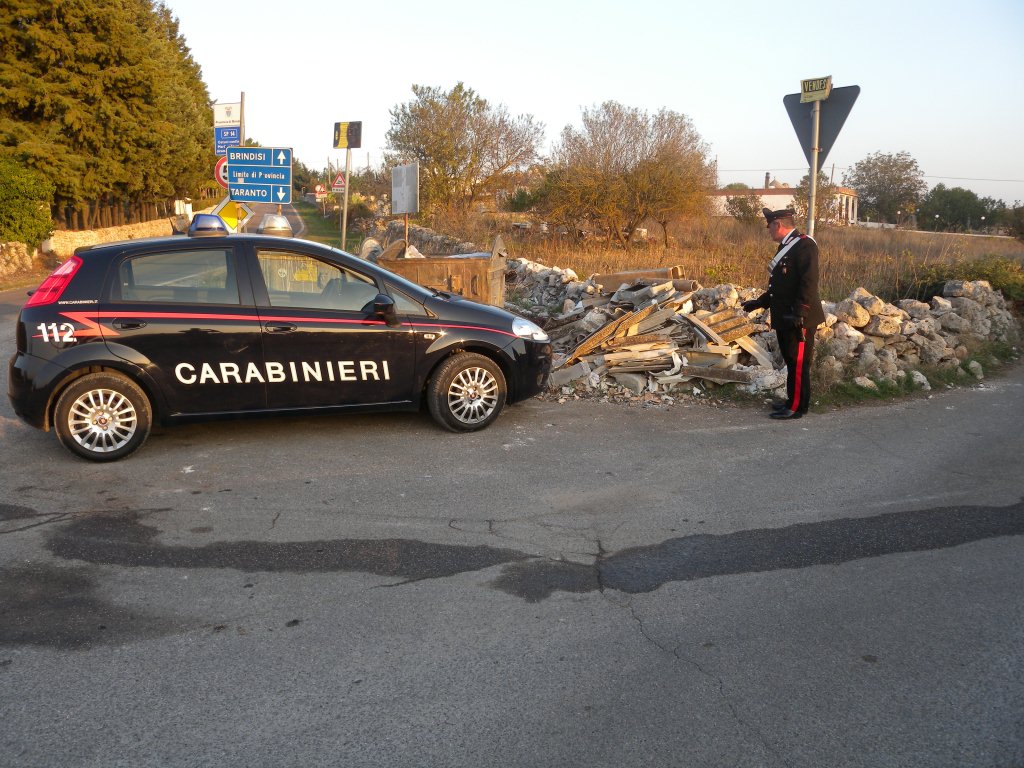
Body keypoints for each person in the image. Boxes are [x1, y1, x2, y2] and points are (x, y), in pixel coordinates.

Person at [741, 208, 825, 420]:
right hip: (785, 315)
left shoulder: (805, 244)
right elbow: (781, 286)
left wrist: (800, 312)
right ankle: (794, 401)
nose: (768, 230)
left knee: (798, 363)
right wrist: (760, 302)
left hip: (799, 319)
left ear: (777, 224)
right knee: (791, 360)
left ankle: (796, 407)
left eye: (769, 226)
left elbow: (809, 282)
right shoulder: (786, 246)